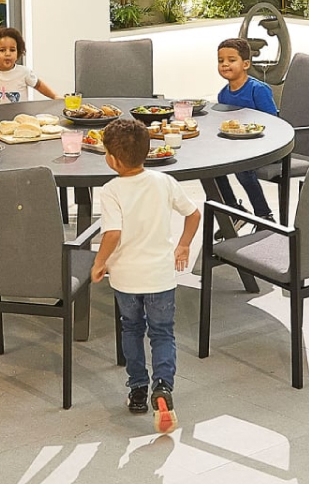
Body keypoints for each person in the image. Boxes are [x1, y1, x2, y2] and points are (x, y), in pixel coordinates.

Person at [91, 119, 201, 435]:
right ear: (148, 150)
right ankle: (163, 388)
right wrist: (183, 245)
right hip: (161, 277)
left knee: (132, 328)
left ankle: (137, 389)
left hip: (126, 278)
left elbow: (112, 233)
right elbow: (193, 213)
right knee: (163, 332)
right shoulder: (164, 182)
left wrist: (100, 262)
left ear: (111, 158)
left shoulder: (111, 190)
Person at [213, 38, 277, 227]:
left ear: (246, 64)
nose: (225, 64)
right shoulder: (223, 94)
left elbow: (273, 123)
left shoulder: (258, 90)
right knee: (212, 166)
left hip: (265, 146)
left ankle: (265, 216)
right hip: (239, 146)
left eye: (231, 60)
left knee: (242, 167)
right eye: (220, 60)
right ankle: (234, 211)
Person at [0, 27, 60, 103]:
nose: (8, 54)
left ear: (18, 53)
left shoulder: (24, 72)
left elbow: (39, 85)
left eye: (12, 50)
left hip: (21, 118)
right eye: (2, 50)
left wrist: (55, 97)